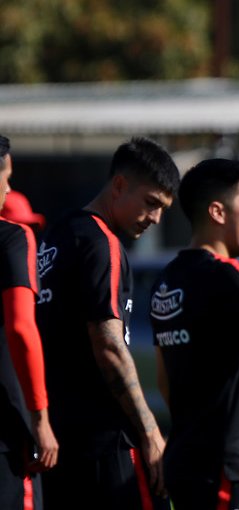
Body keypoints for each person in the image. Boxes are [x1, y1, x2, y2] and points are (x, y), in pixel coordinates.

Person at [35, 137, 179, 510]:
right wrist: (150, 431)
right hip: (108, 445)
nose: (156, 218)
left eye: (163, 209)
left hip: (63, 444)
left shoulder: (58, 235)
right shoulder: (102, 243)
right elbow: (110, 345)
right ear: (118, 185)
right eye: (151, 203)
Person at [150, 159, 239, 509]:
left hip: (185, 461)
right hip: (225, 471)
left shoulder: (166, 281)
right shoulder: (231, 280)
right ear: (217, 211)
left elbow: (164, 381)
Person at [0, 135, 58, 510]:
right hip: (6, 426)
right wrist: (40, 419)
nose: (7, 188)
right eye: (4, 177)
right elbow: (21, 327)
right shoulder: (13, 237)